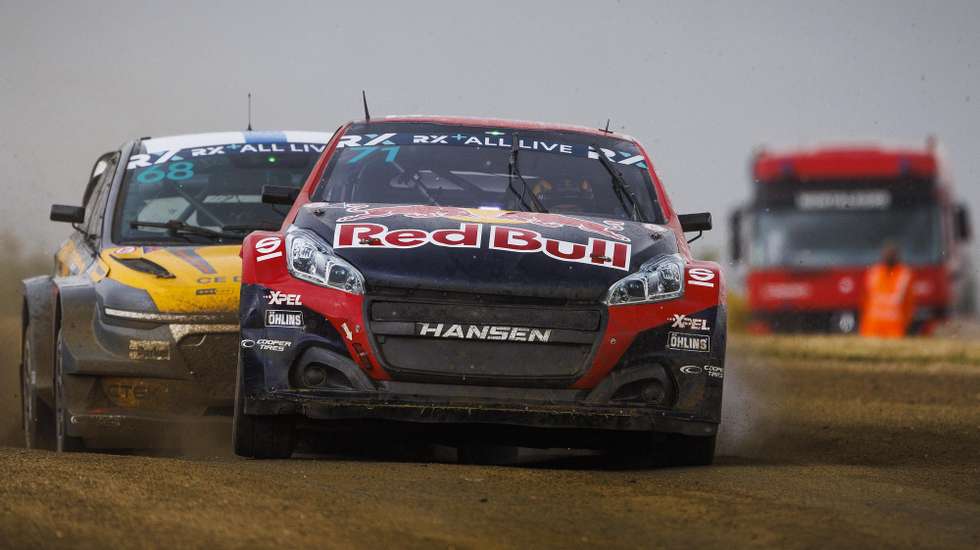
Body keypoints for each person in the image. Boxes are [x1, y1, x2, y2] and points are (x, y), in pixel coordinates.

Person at [859, 243, 915, 338]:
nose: (888, 256)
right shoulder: (873, 273)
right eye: (887, 253)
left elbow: (909, 304)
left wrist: (905, 324)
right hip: (872, 328)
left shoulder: (905, 275)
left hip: (894, 330)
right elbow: (864, 300)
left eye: (891, 254)